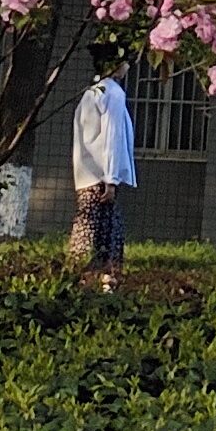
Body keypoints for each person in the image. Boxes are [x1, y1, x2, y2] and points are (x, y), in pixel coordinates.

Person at [69, 66, 138, 292]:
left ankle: (79, 281)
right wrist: (111, 178)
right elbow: (112, 137)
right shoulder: (113, 93)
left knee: (87, 228)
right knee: (106, 234)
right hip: (101, 177)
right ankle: (104, 284)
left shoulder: (92, 92)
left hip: (86, 175)